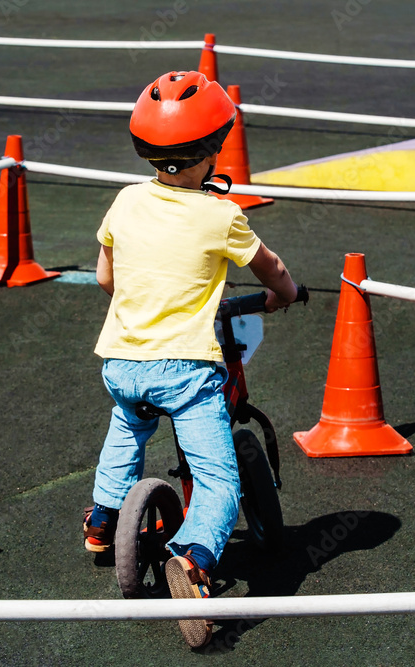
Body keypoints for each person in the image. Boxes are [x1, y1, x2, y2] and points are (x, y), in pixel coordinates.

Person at [83, 70, 298, 648]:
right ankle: (197, 557)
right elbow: (270, 269)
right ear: (212, 151)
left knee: (127, 431)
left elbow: (107, 277)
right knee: (217, 477)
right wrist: (286, 294)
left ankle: (102, 521)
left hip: (122, 362)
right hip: (185, 369)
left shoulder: (125, 201)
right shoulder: (221, 216)